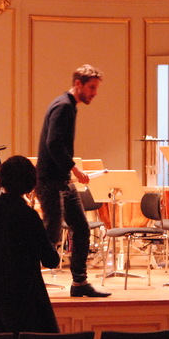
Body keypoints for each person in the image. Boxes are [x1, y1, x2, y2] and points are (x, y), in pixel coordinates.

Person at [36, 64, 111, 298]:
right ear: (78, 84)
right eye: (91, 88)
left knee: (81, 228)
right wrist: (75, 168)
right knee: (51, 237)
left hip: (61, 180)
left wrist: (69, 172)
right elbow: (53, 144)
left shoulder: (70, 106)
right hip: (49, 181)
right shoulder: (63, 106)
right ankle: (28, 284)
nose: (94, 93)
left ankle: (79, 284)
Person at [0, 155, 60, 334]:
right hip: (24, 300)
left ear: (1, 179)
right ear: (30, 182)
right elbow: (51, 260)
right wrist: (53, 241)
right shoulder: (29, 216)